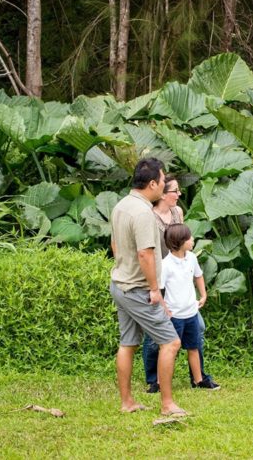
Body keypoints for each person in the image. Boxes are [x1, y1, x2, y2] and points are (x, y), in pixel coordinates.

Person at [109, 157, 185, 416]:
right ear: (152, 183)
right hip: (139, 289)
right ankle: (167, 404)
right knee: (171, 342)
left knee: (128, 343)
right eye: (163, 181)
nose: (164, 186)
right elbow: (145, 254)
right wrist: (154, 290)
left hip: (120, 284)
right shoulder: (143, 212)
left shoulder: (121, 205)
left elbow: (115, 246)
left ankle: (127, 402)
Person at [142, 176, 219, 393]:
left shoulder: (178, 213)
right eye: (175, 191)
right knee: (157, 336)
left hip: (182, 276)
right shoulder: (150, 217)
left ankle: (198, 377)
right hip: (159, 273)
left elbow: (198, 274)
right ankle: (154, 379)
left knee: (197, 332)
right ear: (163, 194)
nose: (179, 194)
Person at [160, 223, 220, 390]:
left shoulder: (191, 258)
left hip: (191, 312)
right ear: (179, 242)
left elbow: (198, 276)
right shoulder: (166, 264)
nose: (193, 239)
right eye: (189, 238)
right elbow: (158, 289)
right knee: (170, 350)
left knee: (194, 347)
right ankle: (162, 382)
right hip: (175, 316)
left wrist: (204, 294)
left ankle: (198, 380)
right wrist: (165, 309)